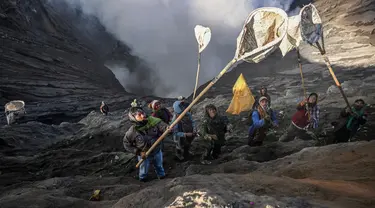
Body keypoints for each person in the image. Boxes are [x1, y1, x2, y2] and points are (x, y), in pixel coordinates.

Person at [123, 106, 169, 182]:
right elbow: (126, 144)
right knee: (144, 170)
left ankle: (162, 178)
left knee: (159, 165)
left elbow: (162, 126)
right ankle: (143, 180)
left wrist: (167, 129)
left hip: (157, 151)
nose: (143, 115)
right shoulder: (132, 132)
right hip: (144, 155)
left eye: (143, 113)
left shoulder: (153, 121)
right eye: (139, 115)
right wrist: (139, 152)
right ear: (134, 117)